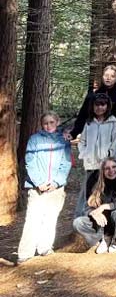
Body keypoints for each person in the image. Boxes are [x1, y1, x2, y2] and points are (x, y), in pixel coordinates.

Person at [17, 112, 72, 264]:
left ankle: (45, 248)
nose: (49, 125)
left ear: (57, 122)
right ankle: (25, 253)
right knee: (33, 219)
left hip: (56, 188)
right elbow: (30, 162)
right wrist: (39, 182)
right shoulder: (34, 140)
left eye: (52, 122)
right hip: (37, 188)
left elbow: (66, 163)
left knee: (50, 218)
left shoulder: (63, 140)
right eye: (46, 123)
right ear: (42, 124)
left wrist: (56, 182)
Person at [73, 158, 116, 254]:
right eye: (107, 168)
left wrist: (105, 206)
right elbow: (88, 205)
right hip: (104, 222)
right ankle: (102, 239)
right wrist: (93, 213)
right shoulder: (96, 183)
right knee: (78, 222)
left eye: (114, 167)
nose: (111, 171)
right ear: (103, 171)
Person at [75, 93, 116, 217]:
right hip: (91, 164)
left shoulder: (113, 124)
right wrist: (85, 154)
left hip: (105, 166)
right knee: (89, 191)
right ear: (92, 106)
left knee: (104, 192)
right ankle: (87, 216)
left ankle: (105, 217)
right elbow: (82, 141)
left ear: (107, 106)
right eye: (97, 105)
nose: (99, 108)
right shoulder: (89, 123)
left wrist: (108, 159)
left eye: (102, 105)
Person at [69, 63, 116, 140]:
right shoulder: (92, 96)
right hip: (92, 135)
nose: (108, 78)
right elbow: (82, 116)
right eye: (106, 75)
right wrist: (74, 133)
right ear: (102, 77)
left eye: (112, 76)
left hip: (111, 137)